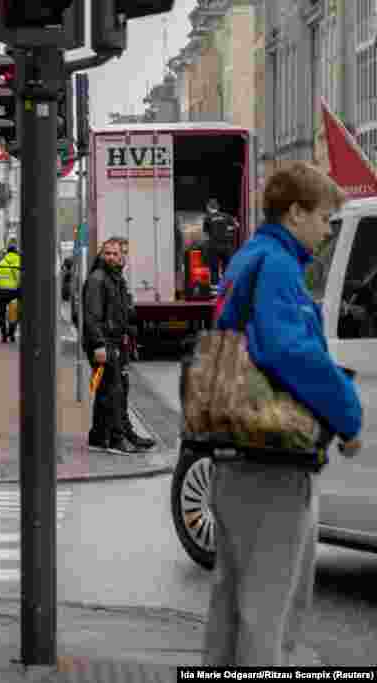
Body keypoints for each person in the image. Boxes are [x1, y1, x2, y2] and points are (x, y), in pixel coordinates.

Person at [203, 161, 363, 666]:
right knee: (268, 612)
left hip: (239, 459)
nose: (325, 231)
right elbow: (292, 353)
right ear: (294, 213)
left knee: (234, 604)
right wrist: (348, 413)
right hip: (271, 464)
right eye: (322, 219)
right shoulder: (276, 266)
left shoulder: (251, 257)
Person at [82, 238, 140, 454]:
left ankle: (98, 437)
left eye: (115, 254)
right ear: (101, 254)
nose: (112, 257)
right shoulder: (98, 279)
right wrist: (98, 345)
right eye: (107, 253)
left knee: (107, 389)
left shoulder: (113, 278)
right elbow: (92, 315)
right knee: (113, 389)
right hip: (103, 343)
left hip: (112, 341)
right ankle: (116, 440)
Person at [113, 237, 156, 450]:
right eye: (119, 253)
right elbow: (99, 315)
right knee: (114, 391)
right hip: (112, 345)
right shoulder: (103, 279)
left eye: (123, 254)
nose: (122, 258)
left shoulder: (117, 279)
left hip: (119, 342)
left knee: (119, 389)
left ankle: (121, 433)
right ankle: (118, 435)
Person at [202, 198, 238, 286]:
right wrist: (227, 230)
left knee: (214, 268)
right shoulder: (226, 216)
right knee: (226, 268)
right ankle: (225, 289)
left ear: (208, 208)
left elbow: (205, 234)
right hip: (226, 246)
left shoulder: (207, 218)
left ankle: (215, 289)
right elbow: (237, 225)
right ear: (218, 207)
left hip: (214, 247)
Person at [0, 239, 22, 343]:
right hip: (14, 292)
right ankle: (11, 332)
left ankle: (3, 335)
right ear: (16, 252)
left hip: (1, 291)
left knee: (1, 313)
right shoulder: (19, 262)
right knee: (15, 312)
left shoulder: (1, 263)